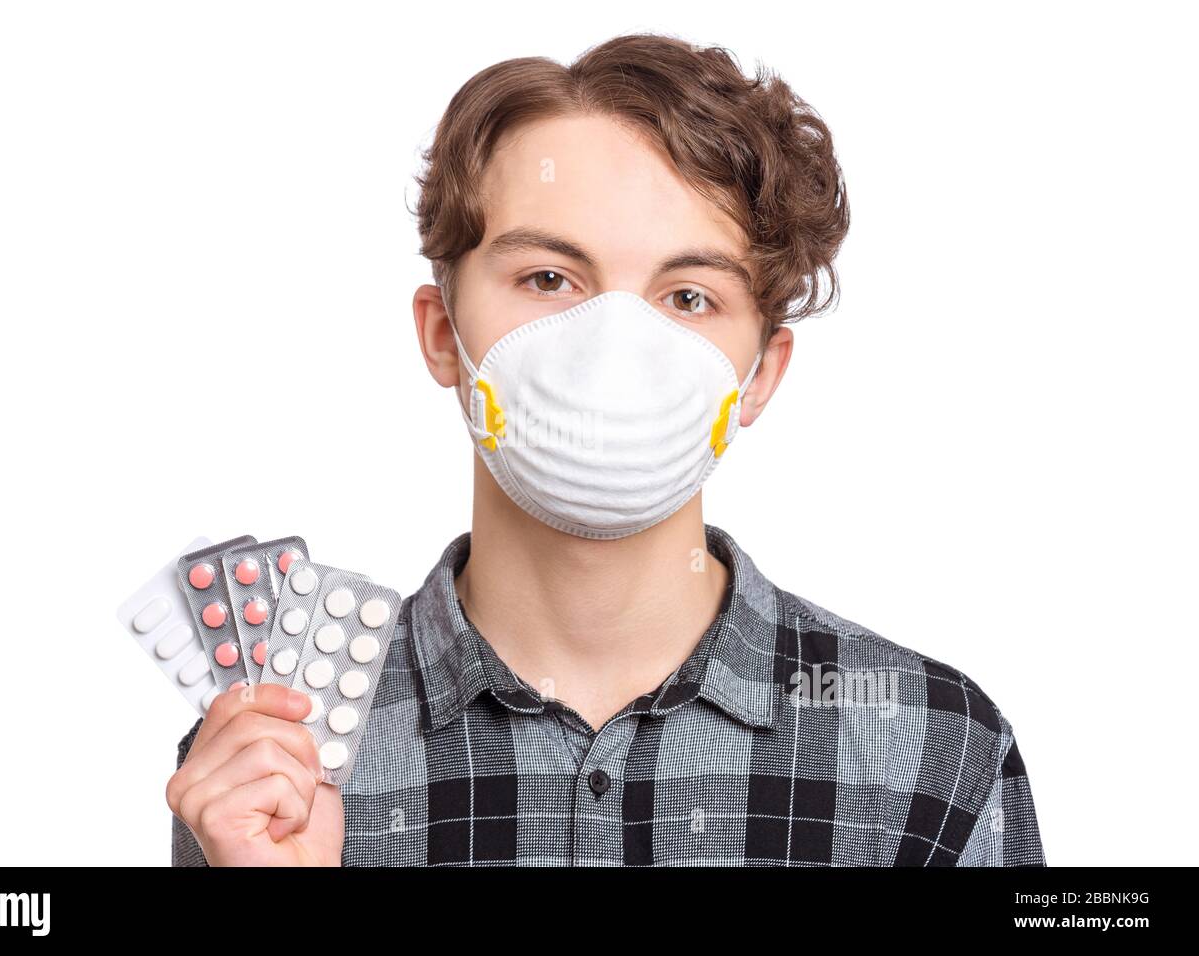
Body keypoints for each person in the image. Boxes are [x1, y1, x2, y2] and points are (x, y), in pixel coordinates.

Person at [165, 31, 1045, 867]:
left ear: (762, 375)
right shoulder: (278, 756)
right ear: (441, 334)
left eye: (689, 296)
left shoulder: (934, 750)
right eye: (549, 278)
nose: (615, 344)